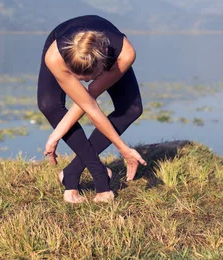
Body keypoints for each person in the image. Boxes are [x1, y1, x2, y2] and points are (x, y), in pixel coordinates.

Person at [37, 15, 146, 203]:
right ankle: (99, 177)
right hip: (61, 42)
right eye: (78, 77)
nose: (85, 81)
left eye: (89, 77)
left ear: (102, 67)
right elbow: (86, 104)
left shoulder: (124, 54)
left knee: (132, 109)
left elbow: (91, 104)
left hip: (113, 55)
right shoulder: (55, 58)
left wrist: (124, 149)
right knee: (48, 105)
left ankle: (71, 173)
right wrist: (55, 135)